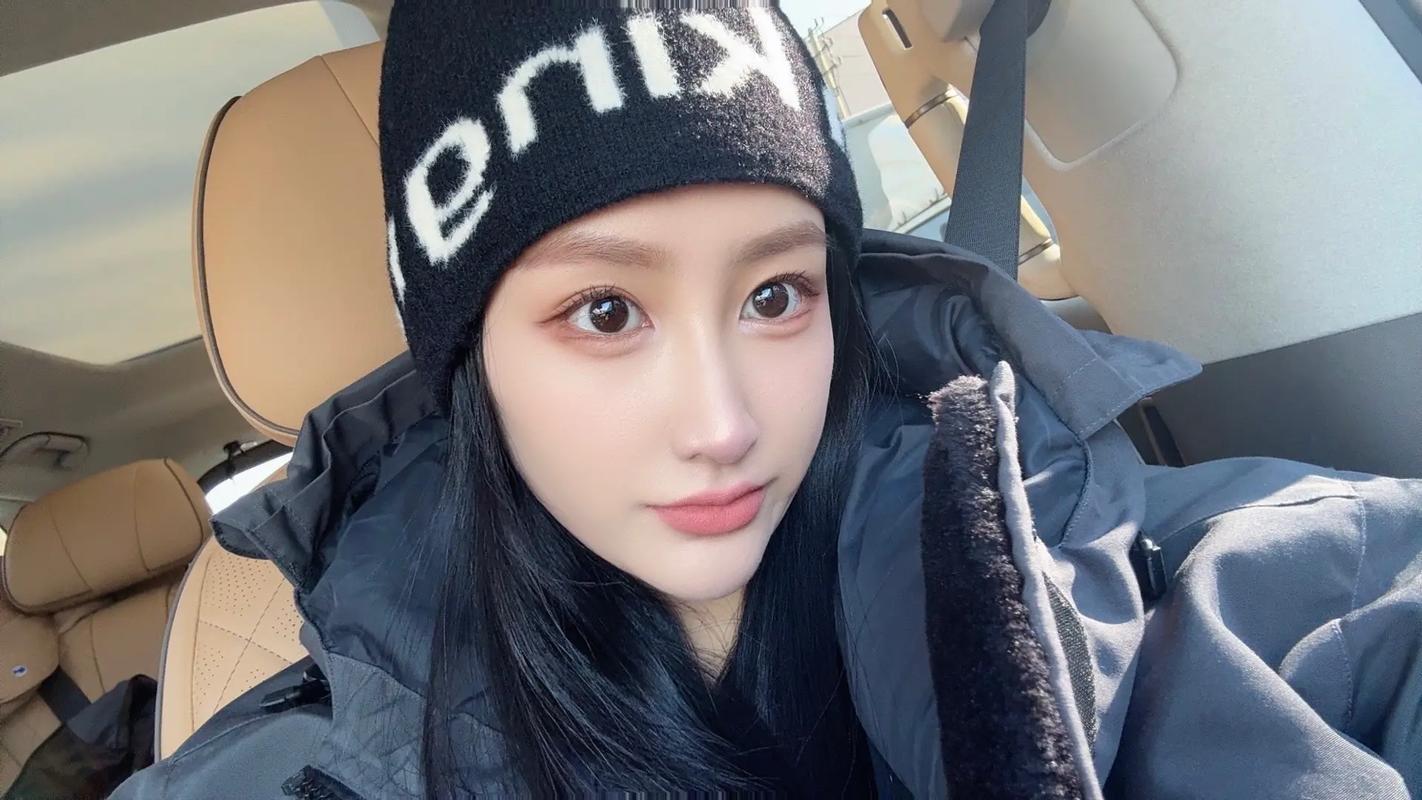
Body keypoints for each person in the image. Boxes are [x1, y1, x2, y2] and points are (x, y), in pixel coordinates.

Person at [114, 3, 1422, 799]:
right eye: (606, 312)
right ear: (473, 364)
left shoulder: (1132, 580)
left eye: (776, 295)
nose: (725, 424)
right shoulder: (303, 774)